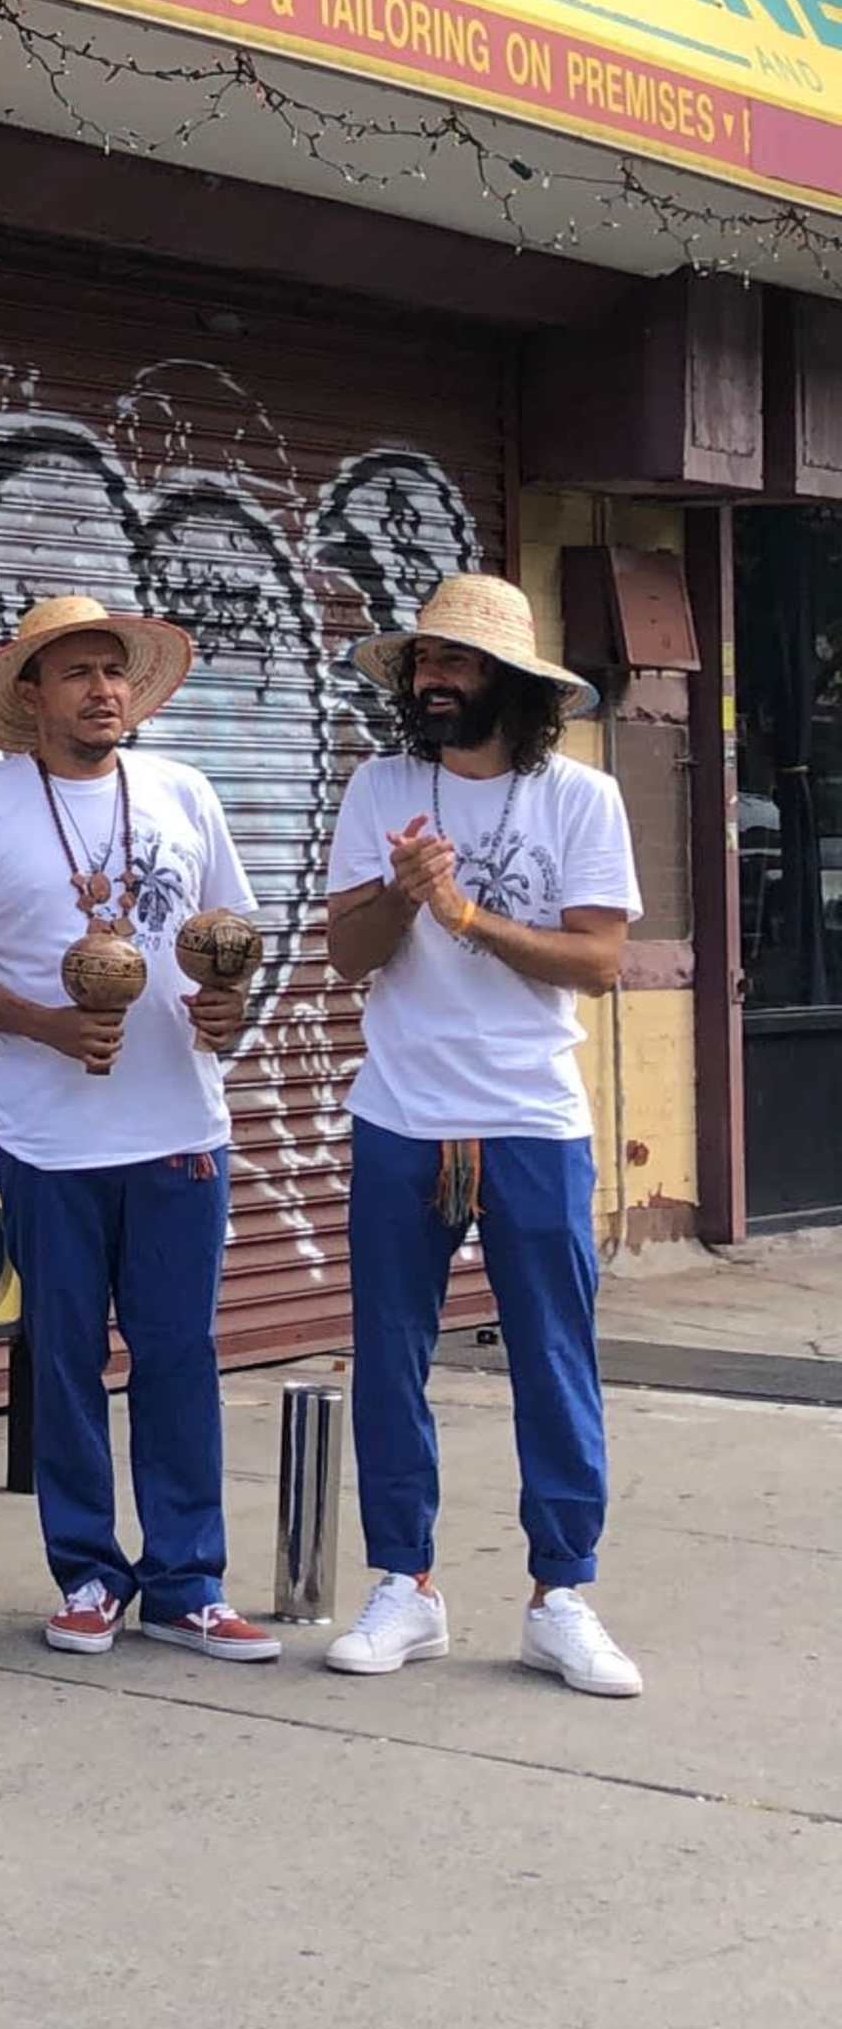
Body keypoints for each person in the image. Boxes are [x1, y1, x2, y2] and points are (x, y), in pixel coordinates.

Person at [0, 596, 273, 1663]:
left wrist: (227, 1008)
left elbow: (228, 934)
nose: (102, 691)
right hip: (48, 1136)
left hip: (176, 1125)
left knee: (178, 1357)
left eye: (113, 672)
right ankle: (84, 1572)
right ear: (31, 695)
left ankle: (187, 1580)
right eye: (75, 674)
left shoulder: (184, 791)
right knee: (64, 1359)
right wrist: (47, 1027)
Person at [319, 574, 643, 1697]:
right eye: (421, 665)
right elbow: (346, 956)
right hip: (402, 1111)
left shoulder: (580, 798)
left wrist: (469, 916)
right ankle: (405, 1586)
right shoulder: (381, 786)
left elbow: (600, 962)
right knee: (389, 1358)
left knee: (555, 1359)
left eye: (453, 665)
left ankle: (563, 1594)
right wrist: (407, 897)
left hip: (531, 1117)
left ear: (512, 683)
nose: (432, 681)